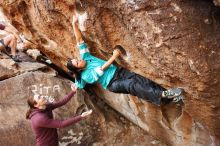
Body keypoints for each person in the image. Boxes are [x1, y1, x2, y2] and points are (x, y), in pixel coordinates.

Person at [66, 11, 184, 106]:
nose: (79, 60)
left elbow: (79, 40)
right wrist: (114, 56)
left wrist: (73, 24)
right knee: (131, 85)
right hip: (113, 83)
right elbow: (102, 68)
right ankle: (164, 94)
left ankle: (170, 98)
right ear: (79, 69)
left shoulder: (86, 57)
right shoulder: (86, 76)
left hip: (119, 71)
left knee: (142, 80)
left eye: (77, 59)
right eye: (77, 62)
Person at [26, 84, 92, 146]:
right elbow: (61, 124)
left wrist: (73, 92)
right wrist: (81, 117)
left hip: (53, 142)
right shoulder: (39, 118)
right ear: (36, 105)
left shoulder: (45, 107)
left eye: (40, 95)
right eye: (39, 97)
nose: (42, 96)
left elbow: (62, 102)